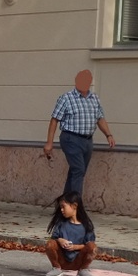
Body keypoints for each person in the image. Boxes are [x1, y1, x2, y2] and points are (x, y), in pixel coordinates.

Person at [44, 69, 115, 197]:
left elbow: (100, 118)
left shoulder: (94, 99)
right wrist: (49, 143)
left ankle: (66, 204)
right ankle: (76, 207)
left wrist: (108, 135)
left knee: (76, 172)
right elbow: (54, 120)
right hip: (71, 139)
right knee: (78, 170)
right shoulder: (66, 98)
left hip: (87, 140)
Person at [45, 191, 98, 276]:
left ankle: (83, 269)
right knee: (50, 243)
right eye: (60, 207)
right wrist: (60, 240)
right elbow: (54, 238)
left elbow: (88, 244)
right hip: (63, 259)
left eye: (63, 207)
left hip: (78, 260)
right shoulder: (61, 223)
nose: (61, 210)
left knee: (92, 247)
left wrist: (75, 247)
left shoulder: (86, 225)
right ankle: (56, 268)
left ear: (74, 206)